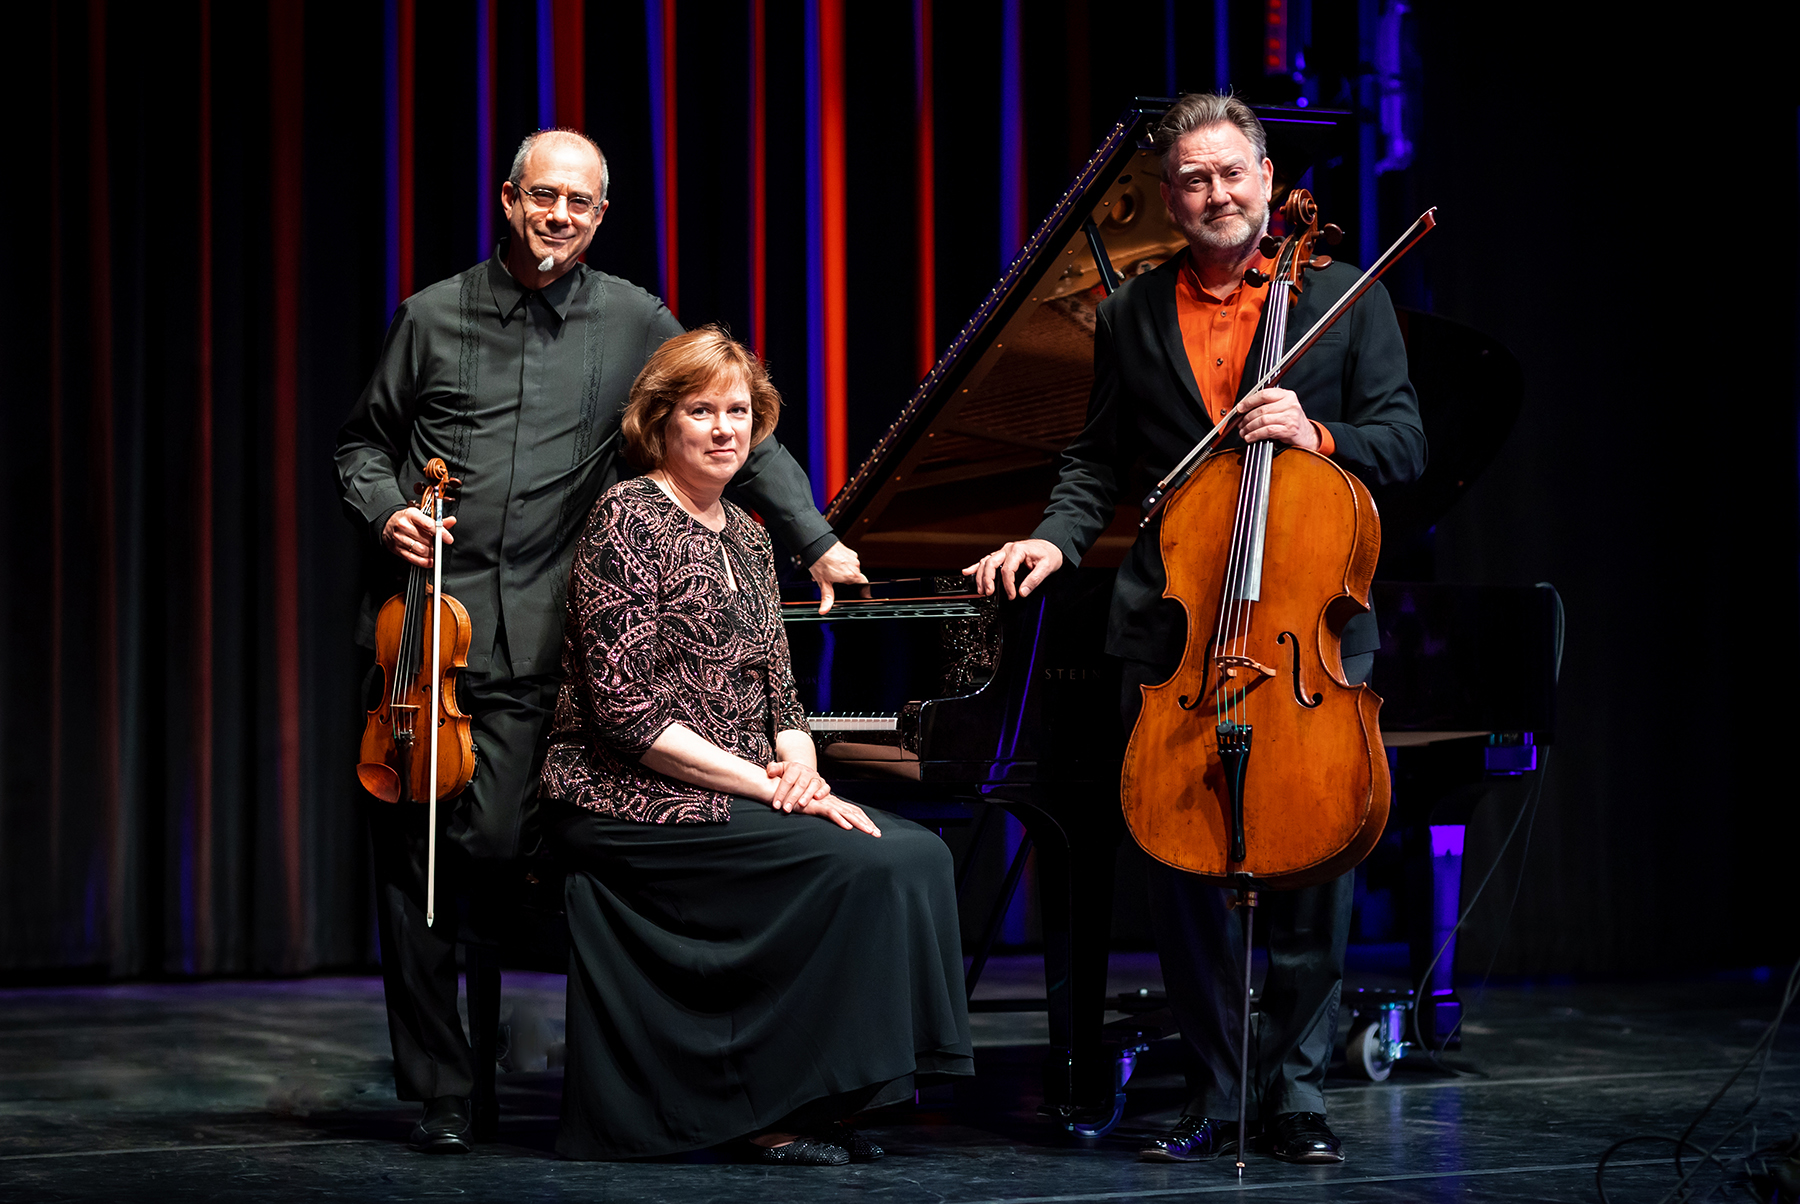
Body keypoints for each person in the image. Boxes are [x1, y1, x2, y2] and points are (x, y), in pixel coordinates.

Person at [334, 129, 867, 1154]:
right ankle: (447, 1088)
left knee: (503, 855)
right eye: (543, 197)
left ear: (600, 215)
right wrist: (387, 507)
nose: (559, 217)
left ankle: (638, 1068)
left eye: (579, 204)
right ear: (508, 199)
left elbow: (739, 425)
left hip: (557, 653)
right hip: (430, 647)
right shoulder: (431, 318)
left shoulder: (635, 320)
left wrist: (820, 539)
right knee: (420, 863)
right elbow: (362, 440)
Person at [964, 93, 1426, 1166]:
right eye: (1193, 180)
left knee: (1315, 876)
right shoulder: (1129, 312)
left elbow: (1403, 443)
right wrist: (1054, 539)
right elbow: (1094, 461)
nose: (1216, 194)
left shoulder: (1346, 298)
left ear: (1266, 181)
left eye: (1233, 174)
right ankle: (1217, 1093)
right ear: (1168, 197)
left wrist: (1316, 430)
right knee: (1186, 875)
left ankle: (1294, 1095)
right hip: (1176, 639)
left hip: (1309, 628)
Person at [538, 327, 973, 1163]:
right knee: (862, 863)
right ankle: (770, 1113)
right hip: (621, 793)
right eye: (701, 411)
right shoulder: (627, 519)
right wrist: (770, 787)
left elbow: (780, 686)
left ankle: (832, 1094)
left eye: (738, 411)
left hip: (735, 782)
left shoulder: (746, 531)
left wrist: (800, 762)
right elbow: (627, 716)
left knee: (915, 854)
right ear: (660, 423)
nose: (724, 429)